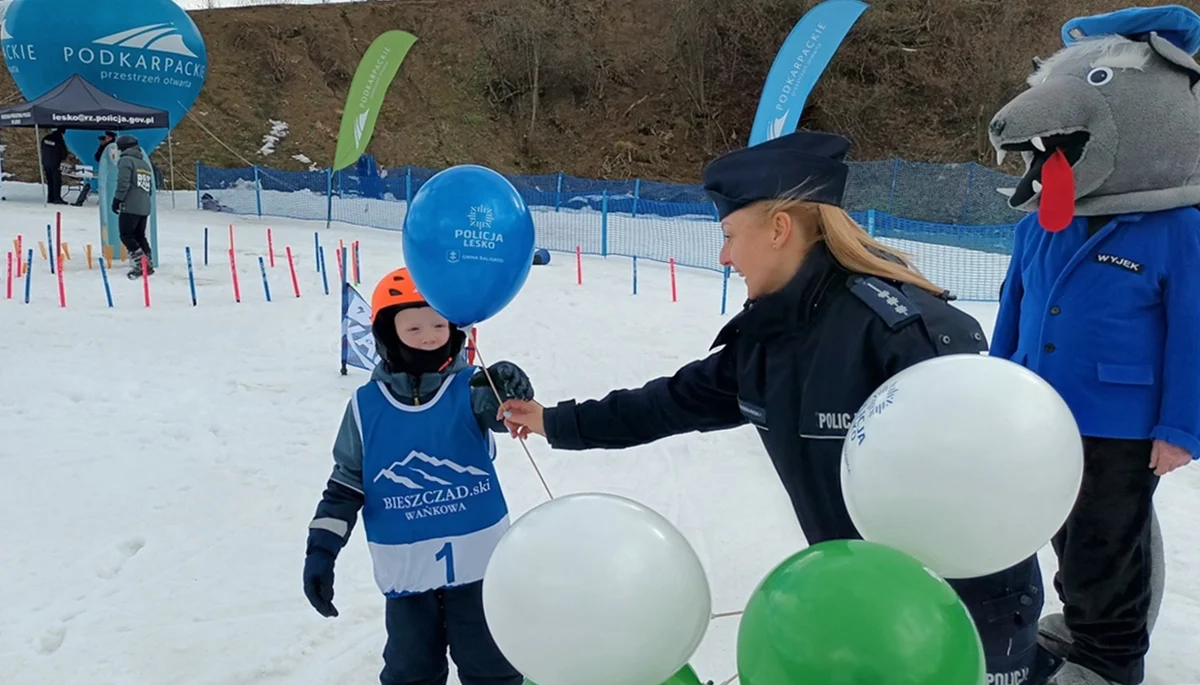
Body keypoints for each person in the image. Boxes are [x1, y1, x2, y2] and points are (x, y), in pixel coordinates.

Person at [500, 130, 1063, 685]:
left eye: (728, 234)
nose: (723, 257)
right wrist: (555, 420)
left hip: (961, 612)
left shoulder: (903, 334)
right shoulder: (769, 339)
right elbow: (669, 403)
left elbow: (1008, 468)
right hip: (861, 605)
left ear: (778, 228)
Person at [987, 7, 1200, 683]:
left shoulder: (1174, 227)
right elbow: (1012, 311)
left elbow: (1193, 332)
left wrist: (1180, 426)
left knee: (1108, 543)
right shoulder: (1041, 224)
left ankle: (1109, 658)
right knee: (1062, 531)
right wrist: (993, 392)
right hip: (1039, 414)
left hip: (1122, 423)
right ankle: (1080, 623)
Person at [303, 267, 533, 685]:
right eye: (413, 326)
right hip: (408, 577)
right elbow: (344, 486)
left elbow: (504, 413)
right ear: (388, 335)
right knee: (411, 673)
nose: (429, 336)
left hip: (480, 571)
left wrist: (511, 387)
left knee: (492, 671)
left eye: (438, 324)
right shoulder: (365, 407)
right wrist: (321, 552)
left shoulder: (471, 387)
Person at [112, 135, 155, 279]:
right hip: (144, 205)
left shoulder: (126, 161)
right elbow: (149, 188)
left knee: (126, 235)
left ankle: (140, 264)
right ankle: (148, 261)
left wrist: (117, 199)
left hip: (131, 205)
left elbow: (123, 183)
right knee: (139, 235)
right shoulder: (144, 163)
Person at [39, 127, 68, 205]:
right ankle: (57, 198)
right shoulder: (59, 140)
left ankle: (50, 197)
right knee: (56, 181)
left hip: (46, 163)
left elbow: (41, 149)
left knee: (50, 181)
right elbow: (64, 153)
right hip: (55, 163)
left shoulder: (45, 138)